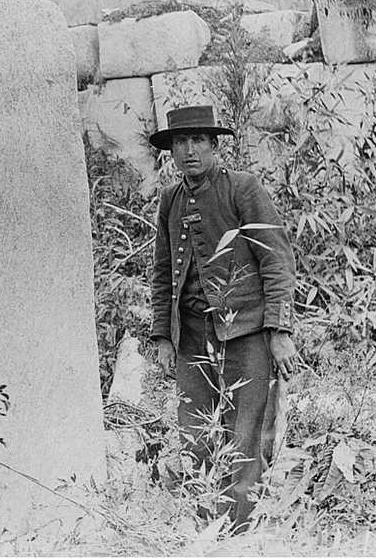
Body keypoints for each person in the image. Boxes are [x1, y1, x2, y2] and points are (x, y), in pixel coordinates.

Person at [148, 105, 299, 532]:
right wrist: (163, 336)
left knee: (246, 434)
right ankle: (207, 529)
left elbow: (276, 260)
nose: (189, 150)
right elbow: (163, 272)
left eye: (198, 141)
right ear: (171, 152)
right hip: (193, 338)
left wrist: (278, 330)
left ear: (215, 146)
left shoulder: (242, 189)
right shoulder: (170, 200)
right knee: (195, 434)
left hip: (246, 332)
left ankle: (243, 533)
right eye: (180, 142)